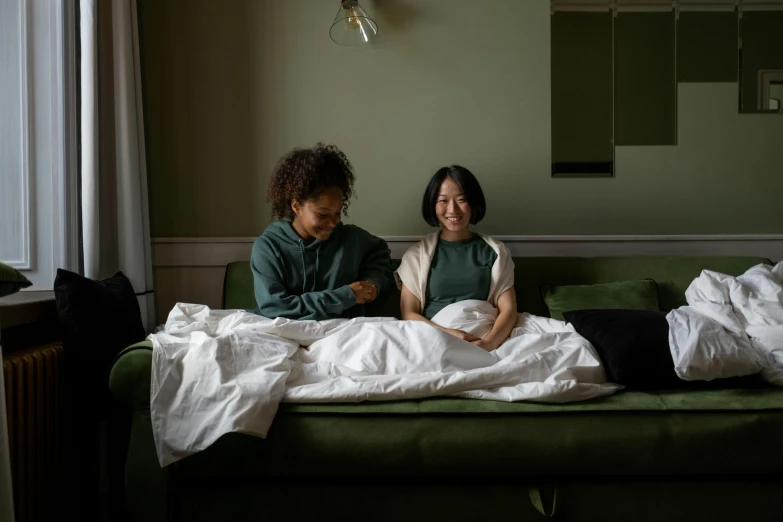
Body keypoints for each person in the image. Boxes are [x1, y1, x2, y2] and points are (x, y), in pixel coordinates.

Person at [251, 143, 393, 320]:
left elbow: (379, 252)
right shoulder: (268, 247)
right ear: (296, 206)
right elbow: (275, 308)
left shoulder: (351, 239)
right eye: (323, 214)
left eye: (338, 212)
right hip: (284, 333)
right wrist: (347, 296)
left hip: (341, 334)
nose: (333, 222)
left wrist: (373, 283)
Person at [396, 165, 517, 351]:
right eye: (443, 201)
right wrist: (447, 334)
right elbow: (409, 312)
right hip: (433, 337)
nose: (452, 210)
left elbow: (508, 309)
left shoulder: (496, 252)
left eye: (461, 200)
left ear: (473, 203)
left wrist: (488, 343)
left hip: (483, 337)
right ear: (433, 205)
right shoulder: (416, 255)